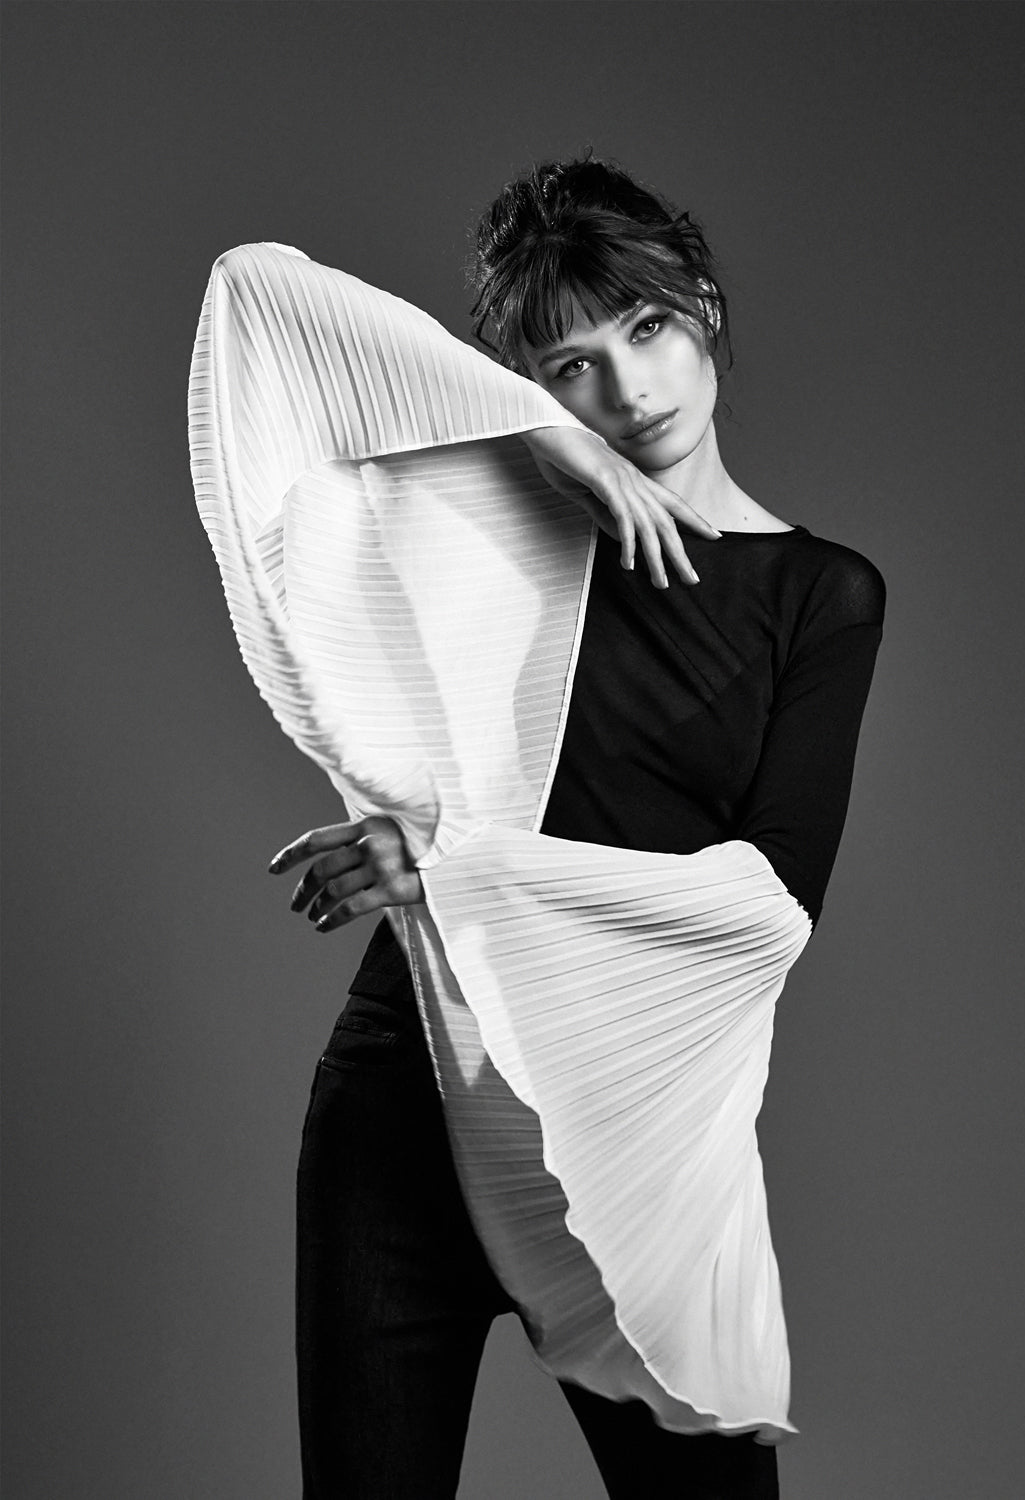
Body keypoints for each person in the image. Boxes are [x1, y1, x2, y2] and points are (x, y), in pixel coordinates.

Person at [259, 156, 886, 1498]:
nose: (628, 389)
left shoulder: (819, 593)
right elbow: (259, 297)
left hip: (642, 1139)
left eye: (646, 328)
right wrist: (539, 441)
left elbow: (768, 904)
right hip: (410, 1103)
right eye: (571, 366)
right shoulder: (501, 532)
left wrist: (454, 871)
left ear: (703, 305)